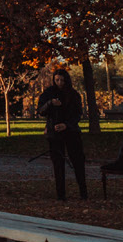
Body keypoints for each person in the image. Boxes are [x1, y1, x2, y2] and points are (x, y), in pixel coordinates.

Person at [37, 63, 88, 199]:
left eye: (62, 80)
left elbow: (78, 114)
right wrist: (50, 103)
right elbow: (40, 110)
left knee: (77, 161)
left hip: (71, 132)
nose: (59, 83)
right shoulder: (48, 93)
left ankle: (83, 192)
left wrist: (67, 125)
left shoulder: (73, 94)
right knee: (58, 164)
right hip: (54, 133)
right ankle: (61, 195)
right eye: (57, 80)